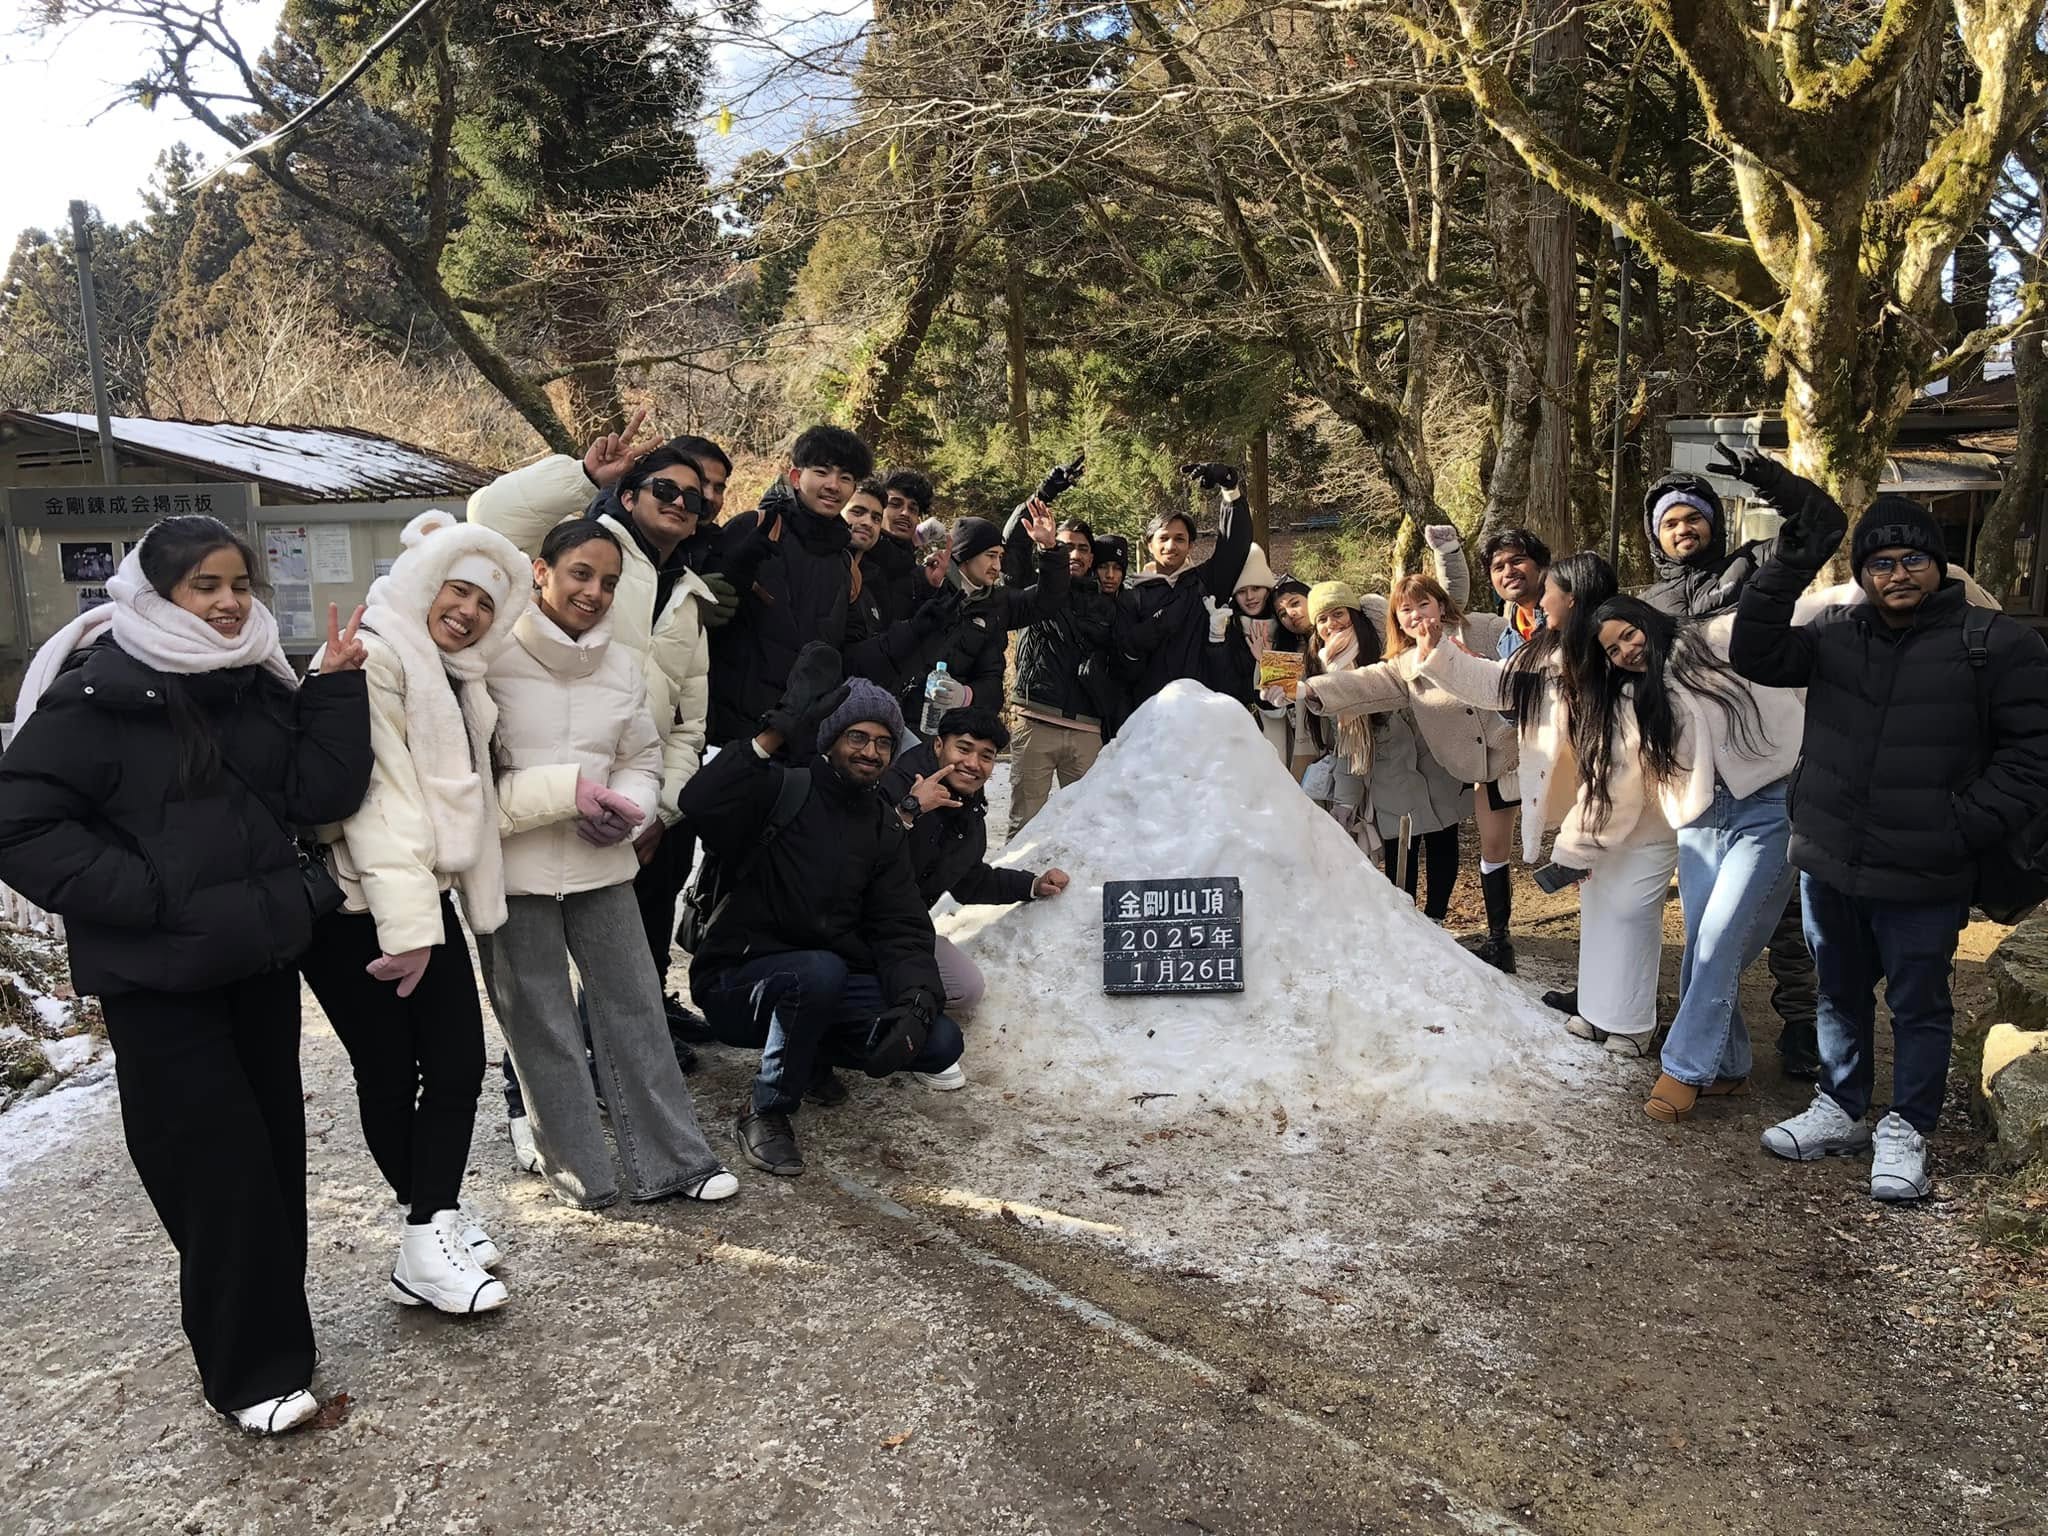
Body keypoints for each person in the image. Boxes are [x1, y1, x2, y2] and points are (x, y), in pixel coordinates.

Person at [0, 519, 371, 1437]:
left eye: (240, 583)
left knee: (275, 1159)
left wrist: (334, 685)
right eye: (204, 585)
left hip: (254, 964)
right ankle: (249, 1373)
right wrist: (147, 893)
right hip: (159, 980)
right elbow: (19, 825)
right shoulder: (99, 694)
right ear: (155, 592)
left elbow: (318, 795)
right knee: (215, 1172)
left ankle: (277, 1340)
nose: (228, 602)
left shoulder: (253, 685)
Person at [1731, 478, 2048, 1200]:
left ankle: (1908, 1125)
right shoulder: (1837, 635)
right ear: (1862, 572)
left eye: (1911, 560)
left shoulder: (1996, 644)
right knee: (1837, 993)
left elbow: (2034, 756)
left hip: (1927, 868)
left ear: (1938, 564)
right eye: (1880, 563)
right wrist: (1793, 556)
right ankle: (1841, 1108)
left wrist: (1960, 826)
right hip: (1830, 857)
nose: (1896, 574)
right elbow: (1755, 651)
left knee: (1918, 1002)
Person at [301, 510, 526, 1316]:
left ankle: (432, 1219)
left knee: (458, 1064)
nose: (465, 611)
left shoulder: (452, 674)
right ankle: (425, 1238)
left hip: (412, 896)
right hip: (361, 903)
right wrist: (411, 933)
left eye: (483, 605)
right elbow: (374, 803)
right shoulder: (382, 655)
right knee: (397, 1072)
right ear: (426, 583)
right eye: (455, 591)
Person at [480, 521, 739, 1208]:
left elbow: (640, 756)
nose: (593, 592)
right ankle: (578, 1172)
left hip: (602, 865)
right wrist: (567, 794)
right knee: (540, 1024)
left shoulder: (623, 664)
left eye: (608, 583)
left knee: (635, 1010)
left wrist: (628, 805)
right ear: (542, 572)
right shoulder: (489, 656)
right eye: (580, 575)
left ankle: (675, 1161)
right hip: (512, 869)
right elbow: (470, 779)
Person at [466, 424, 724, 1067]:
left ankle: (616, 1068)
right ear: (630, 493)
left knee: (627, 951)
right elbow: (487, 518)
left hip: (631, 805)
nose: (682, 502)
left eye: (700, 499)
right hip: (539, 797)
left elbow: (688, 720)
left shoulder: (691, 596)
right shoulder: (589, 553)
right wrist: (583, 478)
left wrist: (658, 808)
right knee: (534, 974)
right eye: (668, 486)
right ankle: (526, 1100)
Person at [679, 650, 963, 1178]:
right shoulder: (783, 788)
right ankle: (766, 1109)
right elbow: (698, 802)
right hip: (739, 979)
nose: (872, 752)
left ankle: (806, 1054)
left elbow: (900, 924)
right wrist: (775, 733)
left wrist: (919, 1002)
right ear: (830, 739)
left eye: (883, 742)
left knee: (940, 1040)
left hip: (821, 983)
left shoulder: (881, 823)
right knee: (817, 972)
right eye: (858, 737)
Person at [1559, 596, 1804, 1103]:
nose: (1626, 650)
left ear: (1647, 621)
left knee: (1719, 938)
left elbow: (1805, 612)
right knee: (1705, 943)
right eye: (1612, 650)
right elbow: (1615, 782)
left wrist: (1935, 581)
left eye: (1629, 634)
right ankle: (1730, 1063)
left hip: (1768, 806)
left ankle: (1684, 1067)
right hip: (1697, 822)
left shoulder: (1713, 639)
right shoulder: (1633, 700)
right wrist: (1578, 850)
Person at [1640, 457, 1820, 1079]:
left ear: (1714, 523)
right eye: (1671, 523)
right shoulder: (1648, 605)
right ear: (1655, 535)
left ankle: (1782, 1032)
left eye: (1694, 517)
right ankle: (1729, 1058)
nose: (1684, 529)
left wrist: (1768, 478)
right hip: (1695, 791)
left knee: (1762, 924)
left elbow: (1820, 527)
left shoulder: (1755, 566)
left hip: (1769, 776)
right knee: (1707, 932)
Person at [1417, 553, 1625, 1020]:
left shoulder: (1612, 641)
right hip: (1575, 785)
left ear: (1571, 595)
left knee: (1619, 900)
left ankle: (1620, 1008)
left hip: (1618, 790)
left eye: (1547, 587)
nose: (1540, 598)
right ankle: (1599, 995)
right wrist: (1442, 653)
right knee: (1598, 892)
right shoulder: (1551, 646)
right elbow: (1501, 685)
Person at [1298, 571, 1521, 970]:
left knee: (1445, 842)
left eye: (1339, 614)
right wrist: (1313, 686)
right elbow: (1353, 719)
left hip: (1435, 759)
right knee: (1404, 851)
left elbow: (1445, 608)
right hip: (1387, 772)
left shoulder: (1389, 640)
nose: (1332, 624)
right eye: (1323, 619)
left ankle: (1439, 921)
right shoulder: (1326, 661)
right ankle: (1407, 927)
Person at [882, 707, 1072, 1087]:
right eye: (963, 749)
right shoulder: (894, 784)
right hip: (847, 924)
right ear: (938, 745)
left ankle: (896, 1005)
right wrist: (910, 810)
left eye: (986, 756)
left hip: (904, 931)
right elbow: (857, 854)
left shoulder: (968, 807)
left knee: (965, 988)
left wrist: (1032, 885)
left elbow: (968, 879)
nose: (973, 764)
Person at [706, 424, 873, 744]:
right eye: (822, 472)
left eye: (846, 478)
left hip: (801, 736)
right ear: (796, 477)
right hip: (728, 729)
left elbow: (846, 650)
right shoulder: (754, 529)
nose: (833, 485)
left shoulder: (845, 564)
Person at [893, 505, 1071, 734]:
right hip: (898, 721)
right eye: (990, 556)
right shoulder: (927, 585)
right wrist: (911, 542)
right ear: (965, 554)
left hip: (954, 730)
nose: (997, 566)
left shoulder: (998, 604)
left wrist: (1050, 549)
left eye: (1000, 557)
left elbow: (1047, 600)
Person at [1007, 517, 1128, 836]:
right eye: (1065, 546)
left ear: (1092, 558)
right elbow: (1012, 550)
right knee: (1025, 825)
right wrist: (1042, 497)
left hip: (1086, 729)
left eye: (1082, 548)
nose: (1074, 554)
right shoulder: (1034, 590)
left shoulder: (1107, 605)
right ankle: (1016, 888)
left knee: (1087, 828)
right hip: (1036, 720)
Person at [1125, 463, 1255, 707]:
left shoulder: (1205, 583)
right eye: (1163, 538)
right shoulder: (1132, 594)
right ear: (1149, 545)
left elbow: (1235, 544)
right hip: (1151, 715)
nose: (1170, 546)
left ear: (1190, 546)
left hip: (1202, 711)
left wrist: (1229, 487)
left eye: (1180, 539)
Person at [869, 468, 936, 627]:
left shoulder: (912, 571)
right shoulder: (857, 557)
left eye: (913, 508)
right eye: (895, 504)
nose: (905, 513)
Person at [1480, 527, 1552, 661]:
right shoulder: (1506, 643)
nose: (1508, 572)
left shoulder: (1568, 615)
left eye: (1517, 561)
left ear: (1541, 565)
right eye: (1499, 568)